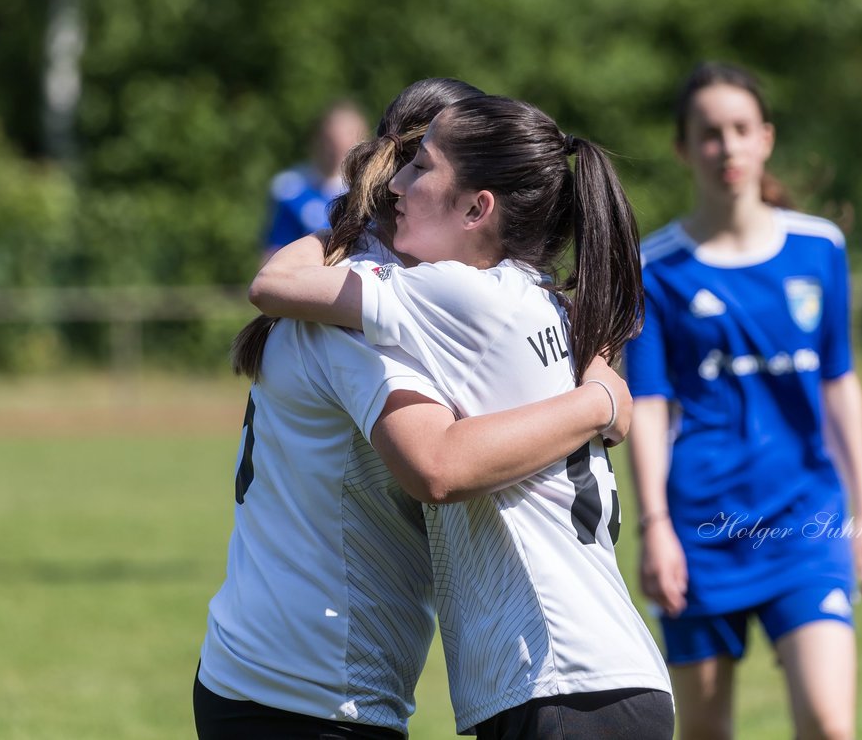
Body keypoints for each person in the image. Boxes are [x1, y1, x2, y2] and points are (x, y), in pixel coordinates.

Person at [196, 78, 635, 740]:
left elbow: (273, 283)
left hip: (277, 671)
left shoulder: (387, 290)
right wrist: (600, 401)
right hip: (312, 689)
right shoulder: (414, 302)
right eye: (422, 159)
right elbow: (436, 466)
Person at [623, 61, 862, 740]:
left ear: (766, 138)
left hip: (808, 521)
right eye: (709, 133)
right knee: (707, 731)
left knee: (830, 724)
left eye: (741, 129)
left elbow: (838, 382)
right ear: (685, 148)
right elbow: (647, 406)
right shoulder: (656, 270)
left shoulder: (818, 249)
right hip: (702, 528)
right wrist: (656, 525)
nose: (727, 147)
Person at [261, 100, 369, 263]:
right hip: (302, 279)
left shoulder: (370, 191)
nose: (338, 149)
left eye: (348, 140)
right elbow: (274, 250)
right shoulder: (290, 188)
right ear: (318, 139)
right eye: (331, 141)